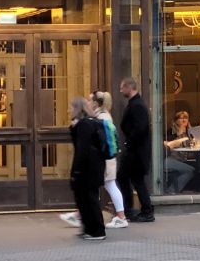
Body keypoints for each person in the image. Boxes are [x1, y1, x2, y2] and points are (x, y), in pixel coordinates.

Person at [60, 91, 129, 229]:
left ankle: (120, 217)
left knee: (107, 186)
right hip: (106, 159)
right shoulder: (102, 116)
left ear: (96, 103)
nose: (88, 102)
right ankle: (81, 214)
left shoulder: (102, 117)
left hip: (104, 160)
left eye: (90, 100)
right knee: (100, 187)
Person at [68, 97, 107, 240]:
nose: (69, 110)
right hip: (95, 166)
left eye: (71, 107)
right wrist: (73, 127)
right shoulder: (92, 122)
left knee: (88, 199)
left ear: (77, 108)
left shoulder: (84, 125)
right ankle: (90, 228)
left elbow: (81, 149)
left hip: (87, 168)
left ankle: (96, 230)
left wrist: (76, 170)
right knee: (86, 198)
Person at [116, 77, 154, 222]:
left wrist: (129, 142)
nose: (120, 91)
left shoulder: (137, 105)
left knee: (131, 179)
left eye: (122, 88)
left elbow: (140, 128)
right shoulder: (135, 104)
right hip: (135, 150)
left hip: (136, 152)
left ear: (129, 87)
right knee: (131, 179)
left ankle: (142, 210)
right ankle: (137, 209)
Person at [163, 110, 195, 194]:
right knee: (190, 170)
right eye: (181, 118)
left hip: (184, 159)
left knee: (195, 167)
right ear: (176, 120)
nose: (184, 120)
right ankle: (171, 190)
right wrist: (179, 133)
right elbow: (168, 144)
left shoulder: (190, 132)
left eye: (186, 118)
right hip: (170, 158)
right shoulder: (170, 132)